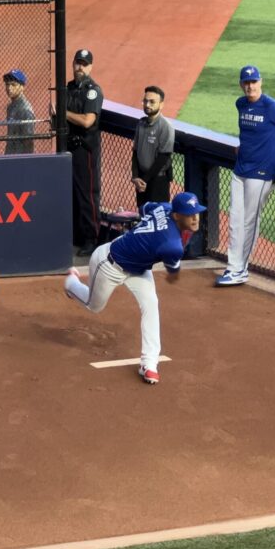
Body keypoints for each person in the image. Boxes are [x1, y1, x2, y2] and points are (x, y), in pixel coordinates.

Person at [64, 191, 206, 385]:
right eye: (190, 214)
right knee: (94, 306)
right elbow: (173, 273)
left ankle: (149, 364)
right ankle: (71, 283)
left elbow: (144, 207)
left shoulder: (164, 208)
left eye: (197, 212)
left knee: (151, 304)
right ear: (177, 215)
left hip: (138, 268)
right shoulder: (172, 246)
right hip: (109, 264)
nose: (195, 218)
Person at [216, 64, 275, 287]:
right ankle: (233, 266)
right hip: (240, 170)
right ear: (241, 85)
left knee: (249, 222)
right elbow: (248, 132)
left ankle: (240, 269)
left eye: (253, 82)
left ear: (261, 82)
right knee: (235, 221)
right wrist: (243, 146)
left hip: (261, 173)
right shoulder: (240, 104)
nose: (250, 86)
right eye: (246, 82)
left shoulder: (273, 107)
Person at [65, 48, 103, 256]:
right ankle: (77, 235)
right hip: (68, 146)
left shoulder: (93, 91)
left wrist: (64, 113)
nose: (79, 67)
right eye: (77, 63)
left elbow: (88, 120)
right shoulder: (69, 88)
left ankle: (91, 238)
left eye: (84, 63)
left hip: (85, 149)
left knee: (88, 193)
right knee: (71, 193)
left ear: (90, 67)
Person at [131, 85, 174, 209]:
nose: (147, 104)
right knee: (142, 214)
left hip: (157, 182)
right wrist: (135, 177)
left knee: (157, 219)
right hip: (141, 181)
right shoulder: (141, 123)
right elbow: (135, 152)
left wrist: (144, 180)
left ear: (161, 104)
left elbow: (163, 157)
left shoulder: (166, 127)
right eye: (145, 101)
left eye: (152, 102)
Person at [3, 68, 34, 155]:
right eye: (7, 84)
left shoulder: (25, 109)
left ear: (22, 87)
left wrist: (27, 161)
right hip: (10, 154)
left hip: (20, 157)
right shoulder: (10, 107)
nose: (9, 88)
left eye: (13, 85)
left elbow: (29, 140)